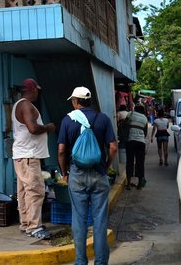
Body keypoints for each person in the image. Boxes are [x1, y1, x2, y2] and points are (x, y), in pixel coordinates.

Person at [57, 86, 117, 265]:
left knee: (79, 219)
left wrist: (64, 172)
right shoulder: (103, 118)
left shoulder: (68, 120)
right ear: (89, 101)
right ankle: (100, 262)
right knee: (100, 220)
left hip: (76, 174)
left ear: (76, 102)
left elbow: (61, 150)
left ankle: (80, 261)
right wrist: (106, 166)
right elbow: (113, 147)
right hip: (99, 174)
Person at [12, 78, 55, 240]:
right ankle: (34, 227)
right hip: (29, 155)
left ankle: (26, 223)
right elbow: (33, 128)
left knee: (24, 191)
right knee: (35, 190)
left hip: (22, 155)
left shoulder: (19, 104)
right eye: (37, 90)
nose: (38, 92)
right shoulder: (26, 105)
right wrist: (48, 128)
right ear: (32, 89)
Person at [125, 104, 149, 190]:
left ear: (135, 109)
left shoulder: (130, 114)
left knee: (129, 162)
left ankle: (128, 183)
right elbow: (145, 133)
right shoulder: (145, 118)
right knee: (140, 163)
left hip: (130, 141)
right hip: (141, 142)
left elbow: (125, 125)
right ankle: (139, 184)